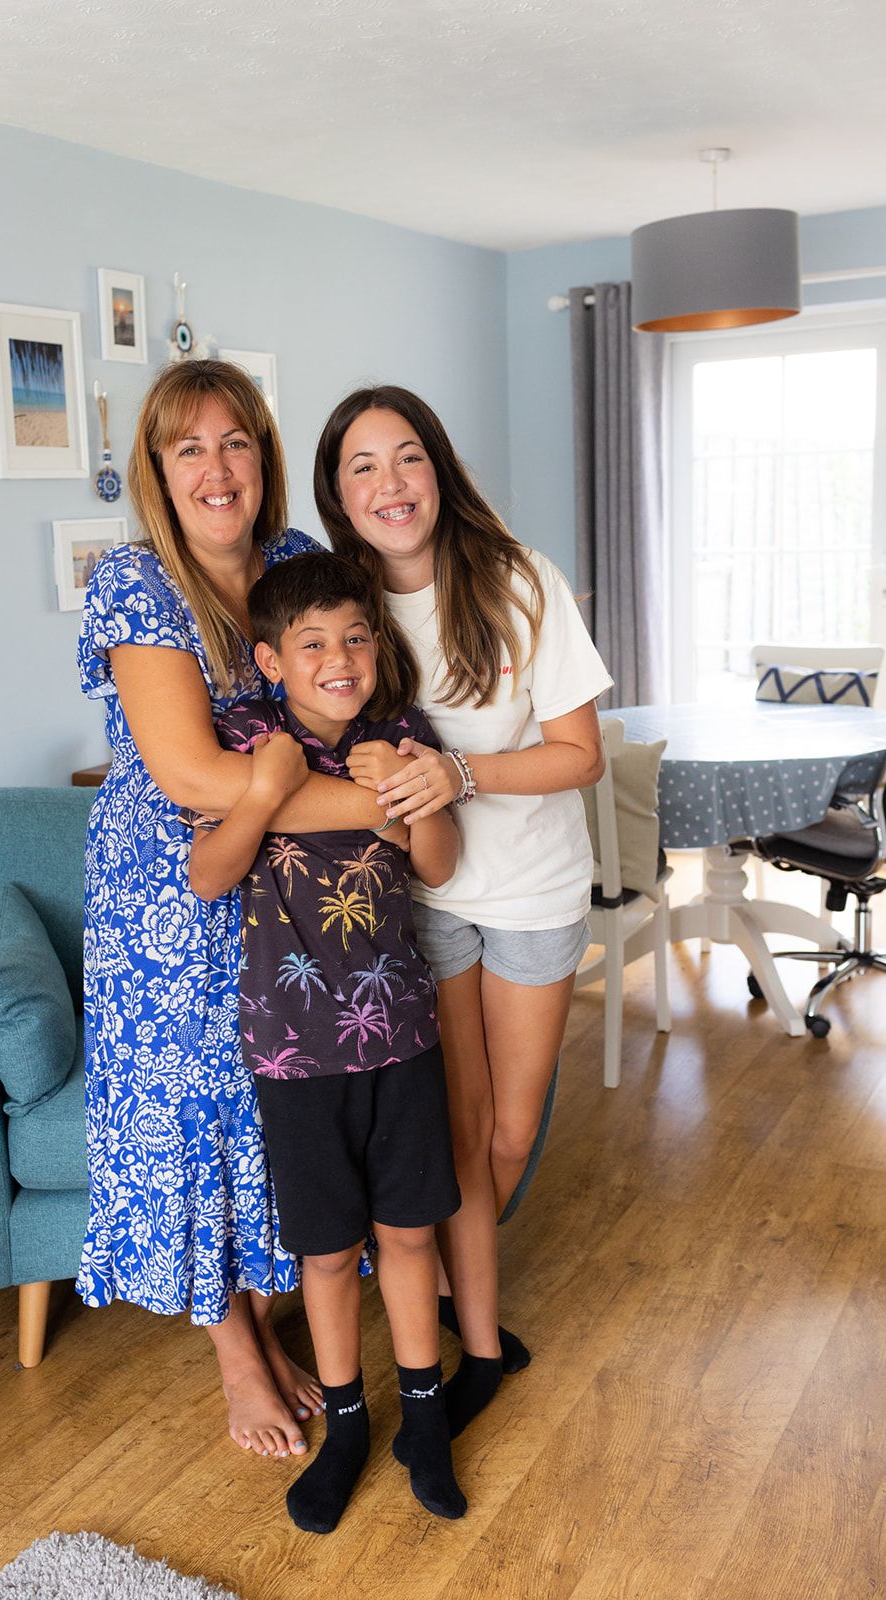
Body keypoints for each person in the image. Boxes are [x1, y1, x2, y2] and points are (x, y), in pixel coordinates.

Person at [76, 361, 401, 1463]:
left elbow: (347, 683)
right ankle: (234, 1357)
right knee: (190, 1112)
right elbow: (198, 775)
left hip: (287, 888)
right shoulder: (134, 581)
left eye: (236, 443)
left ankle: (275, 1313)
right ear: (159, 473)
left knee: (272, 1116)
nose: (217, 469)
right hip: (170, 896)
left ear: (263, 455)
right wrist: (392, 805)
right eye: (189, 449)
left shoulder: (300, 564)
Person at [314, 386, 612, 1441]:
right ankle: (455, 1321)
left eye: (405, 458)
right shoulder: (339, 608)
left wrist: (458, 773)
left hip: (530, 892)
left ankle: (443, 1294)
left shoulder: (518, 580)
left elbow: (581, 754)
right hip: (422, 900)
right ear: (338, 494)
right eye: (361, 466)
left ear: (437, 469)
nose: (388, 483)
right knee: (453, 1131)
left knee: (507, 1133)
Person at [185, 551, 467, 1535]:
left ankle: (422, 1416)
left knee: (406, 1232)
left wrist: (400, 800)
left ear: (376, 645)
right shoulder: (244, 740)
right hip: (292, 1054)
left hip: (399, 1035)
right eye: (311, 644)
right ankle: (347, 1422)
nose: (337, 658)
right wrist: (263, 793)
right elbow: (210, 875)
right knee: (326, 1249)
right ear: (269, 658)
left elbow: (436, 861)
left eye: (354, 636)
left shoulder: (404, 737)